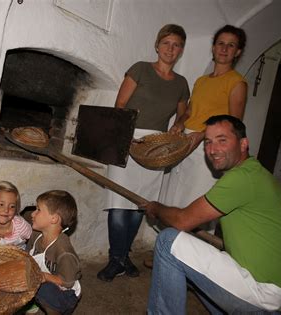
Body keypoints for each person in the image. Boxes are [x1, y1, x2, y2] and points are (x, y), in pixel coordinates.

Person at [145, 115, 281, 314]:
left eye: (222, 140)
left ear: (243, 143)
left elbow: (182, 220)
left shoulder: (240, 178)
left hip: (267, 297)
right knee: (190, 270)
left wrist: (156, 207)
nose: (212, 150)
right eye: (208, 142)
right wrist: (279, 248)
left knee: (168, 241)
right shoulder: (258, 172)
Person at [97, 24, 190, 282]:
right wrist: (125, 138)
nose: (171, 49)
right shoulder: (140, 68)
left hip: (155, 148)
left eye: (177, 45)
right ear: (157, 45)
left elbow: (185, 111)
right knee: (118, 203)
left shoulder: (181, 83)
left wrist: (180, 122)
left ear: (181, 50)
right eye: (166, 43)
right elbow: (120, 105)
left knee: (140, 204)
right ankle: (116, 259)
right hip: (127, 137)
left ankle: (123, 257)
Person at [159, 25, 248, 230]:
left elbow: (233, 124)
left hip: (208, 147)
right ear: (213, 47)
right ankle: (165, 250)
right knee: (174, 197)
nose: (224, 49)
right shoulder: (201, 81)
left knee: (193, 203)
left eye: (231, 45)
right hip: (185, 144)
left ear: (238, 52)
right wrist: (180, 123)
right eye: (220, 44)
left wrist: (203, 136)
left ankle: (187, 257)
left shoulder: (236, 83)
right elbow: (190, 111)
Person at [26, 190, 81, 315]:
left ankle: (54, 310)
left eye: (38, 210)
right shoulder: (36, 235)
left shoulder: (64, 251)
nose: (33, 214)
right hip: (47, 280)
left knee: (43, 289)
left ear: (54, 219)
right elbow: (26, 255)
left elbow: (67, 281)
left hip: (65, 293)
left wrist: (43, 276)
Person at [0, 181, 32, 249]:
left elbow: (34, 239)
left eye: (12, 206)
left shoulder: (20, 224)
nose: (6, 210)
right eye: (1, 205)